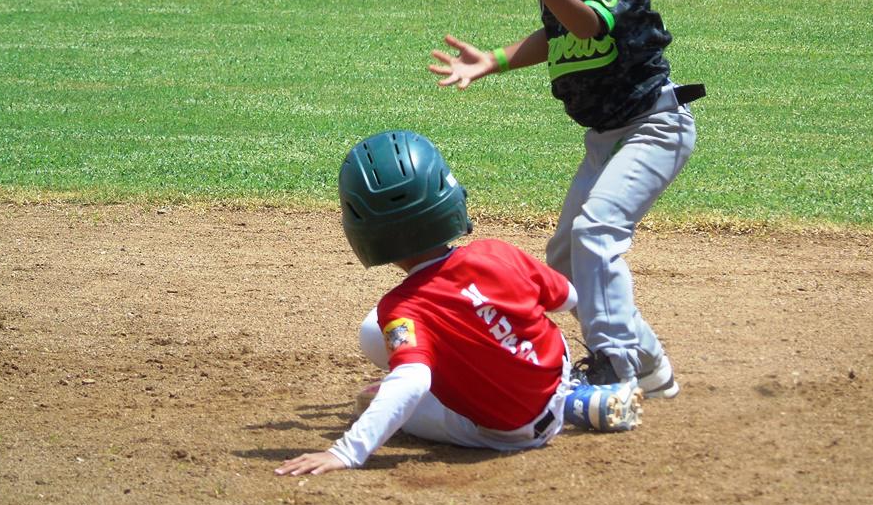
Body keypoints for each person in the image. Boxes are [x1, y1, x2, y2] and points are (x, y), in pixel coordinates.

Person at [429, 0, 702, 402]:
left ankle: (613, 367)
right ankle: (649, 363)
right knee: (566, 256)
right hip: (606, 138)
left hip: (654, 125)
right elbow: (555, 33)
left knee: (596, 231)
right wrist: (494, 60)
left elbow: (586, 24)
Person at [275, 130, 642, 477]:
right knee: (384, 335)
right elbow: (567, 298)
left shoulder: (402, 308)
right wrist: (489, 312)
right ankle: (574, 396)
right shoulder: (495, 252)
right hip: (552, 368)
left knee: (375, 400)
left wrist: (346, 451)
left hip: (513, 433)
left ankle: (568, 406)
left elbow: (412, 381)